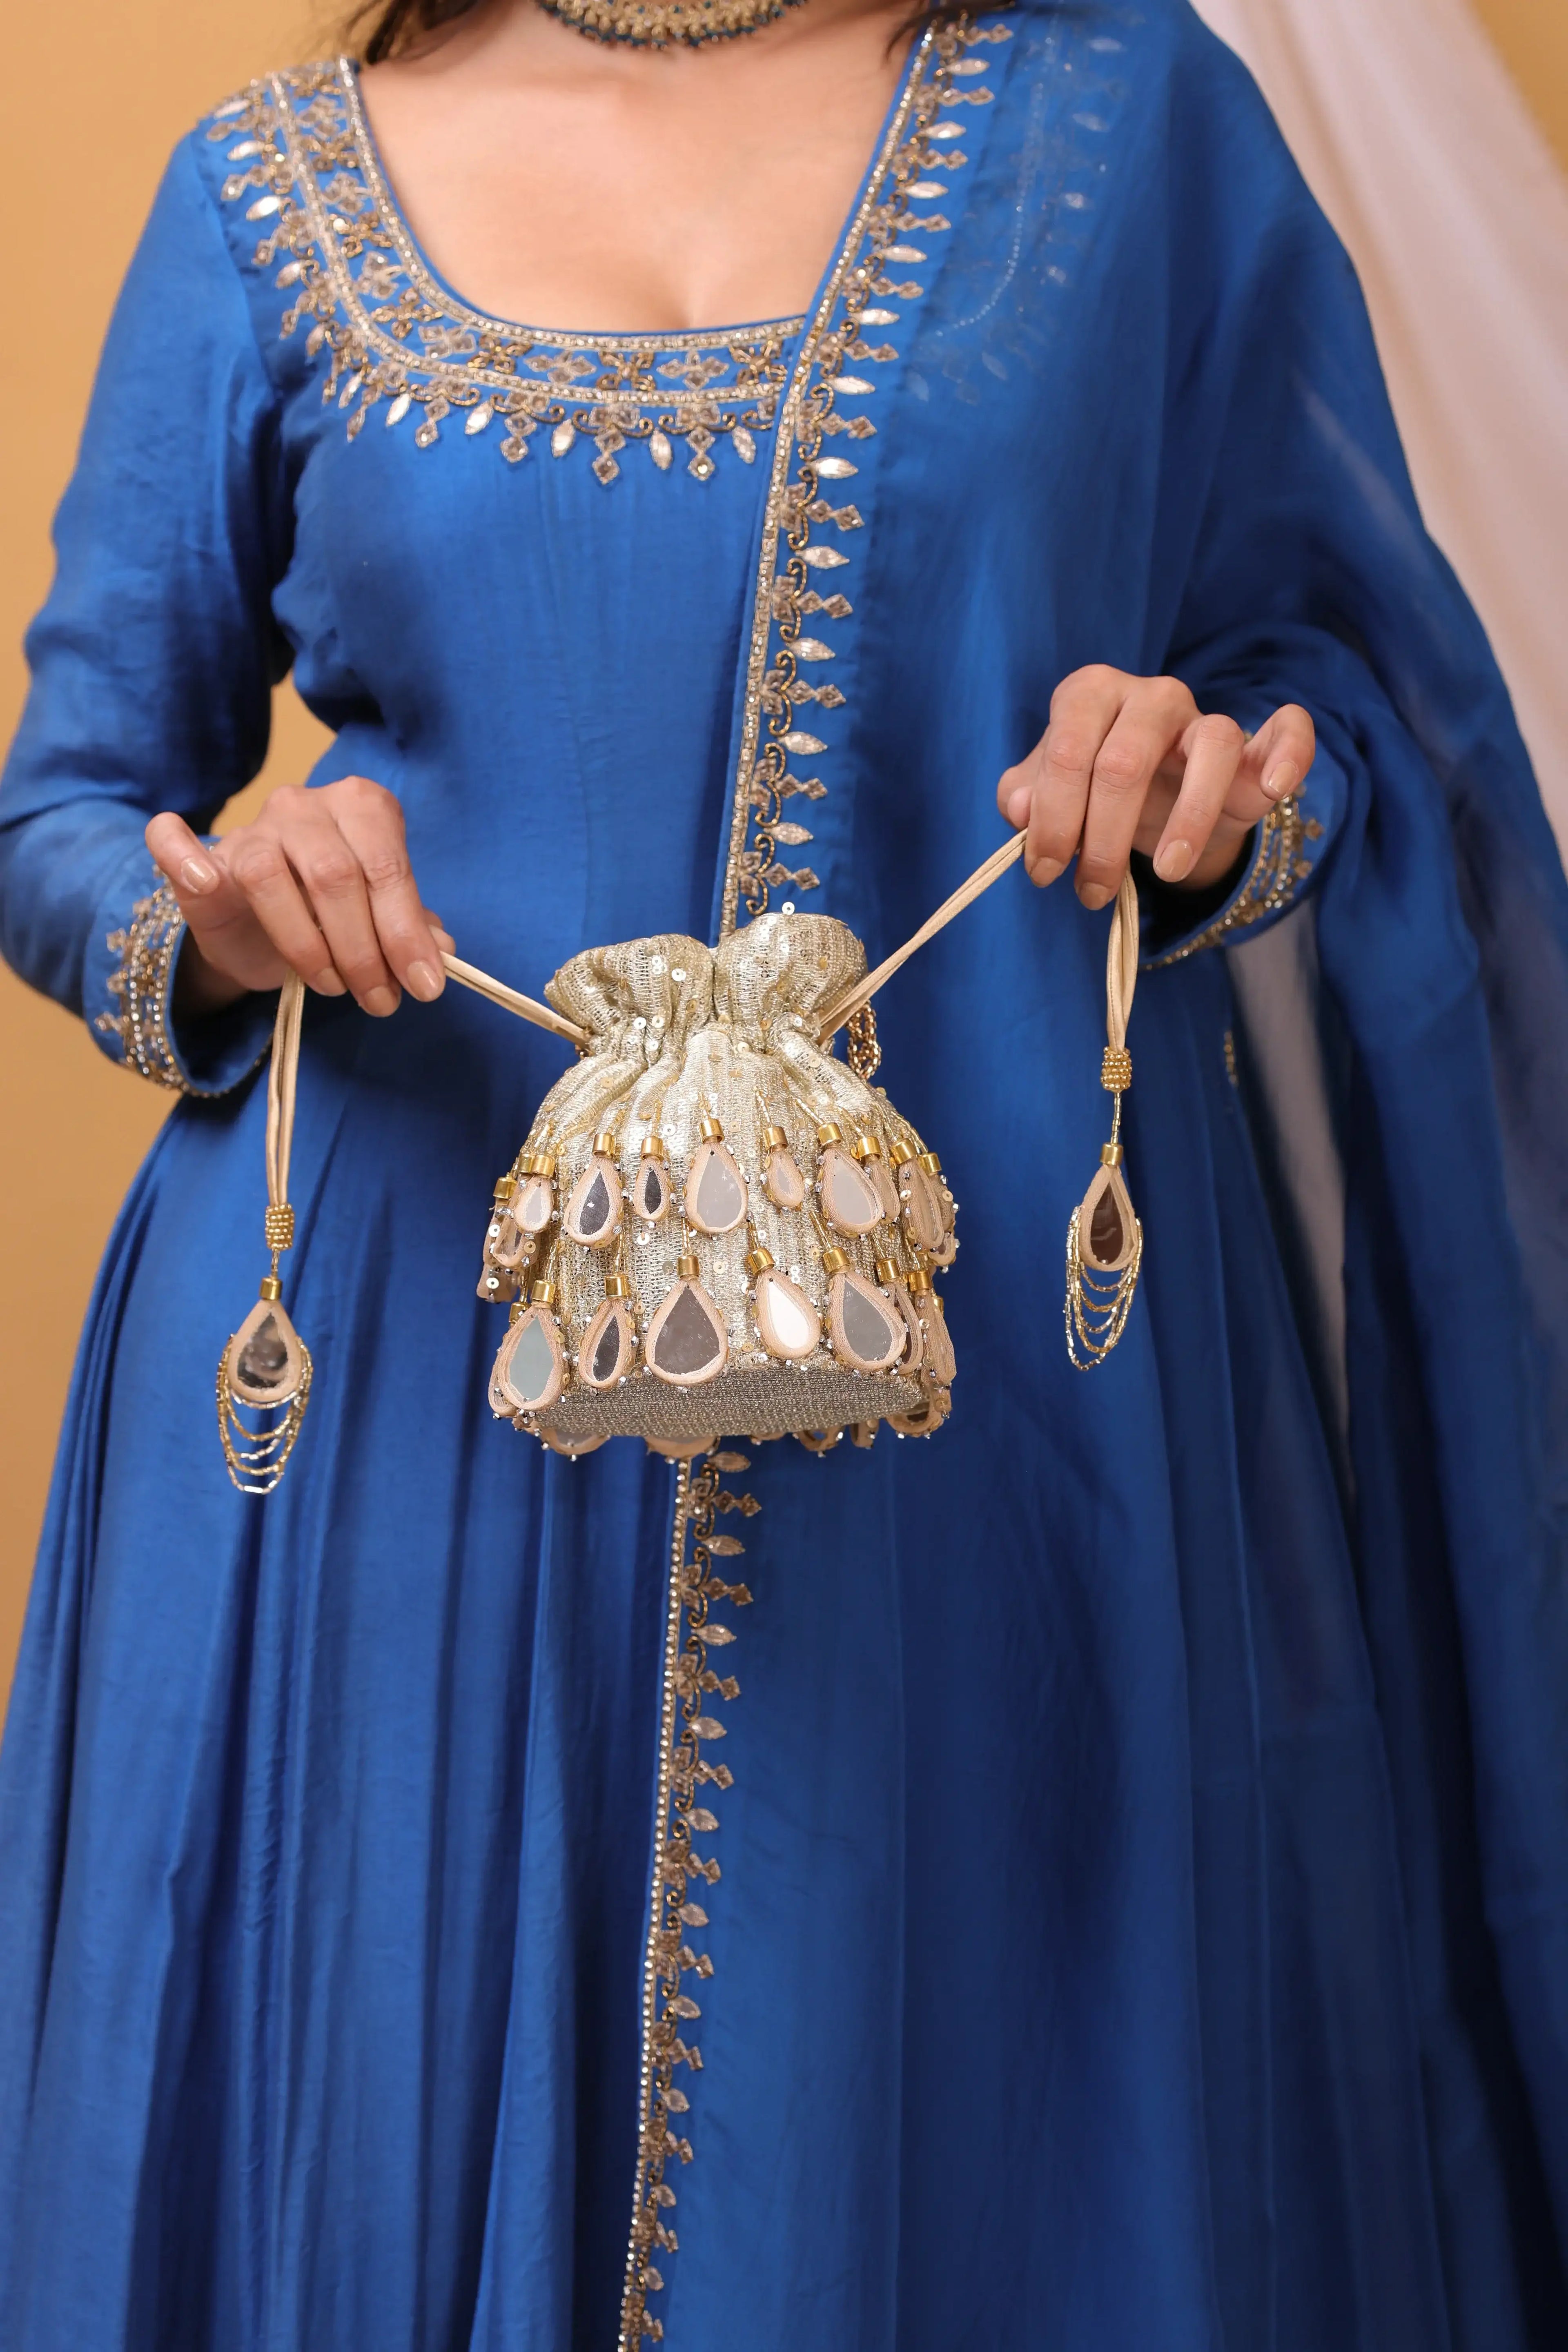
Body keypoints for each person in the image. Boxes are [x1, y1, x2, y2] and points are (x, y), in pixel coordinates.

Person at [1, 0, 1565, 2342]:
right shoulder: (267, 194)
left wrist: (1206, 775)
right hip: (404, 1415)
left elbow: (1338, 698)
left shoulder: (1123, 122)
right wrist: (218, 916)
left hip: (988, 1413)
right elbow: (66, 810)